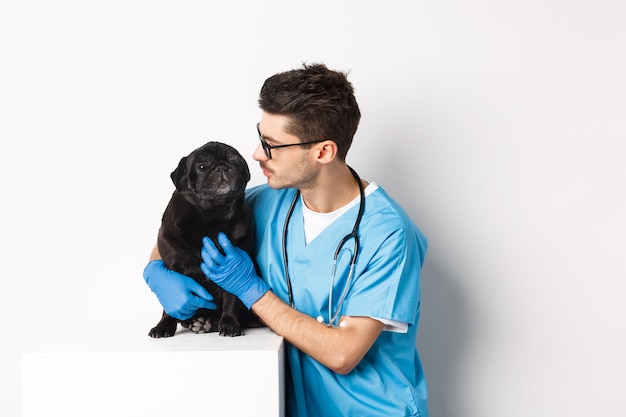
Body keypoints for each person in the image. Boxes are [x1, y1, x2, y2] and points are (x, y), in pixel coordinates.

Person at [143, 63, 429, 417]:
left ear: (323, 152)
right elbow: (182, 231)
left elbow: (343, 354)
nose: (257, 154)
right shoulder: (267, 202)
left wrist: (252, 291)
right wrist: (156, 269)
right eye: (260, 138)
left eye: (272, 145)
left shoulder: (388, 234)